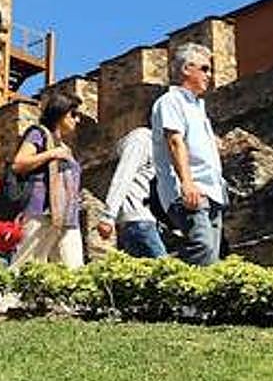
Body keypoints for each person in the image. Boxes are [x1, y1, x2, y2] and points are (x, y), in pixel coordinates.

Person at [152, 43, 226, 266]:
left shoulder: (197, 107)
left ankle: (200, 299)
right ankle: (169, 288)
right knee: (202, 246)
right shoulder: (171, 101)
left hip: (212, 191)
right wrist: (187, 183)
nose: (209, 75)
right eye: (204, 69)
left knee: (211, 256)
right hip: (190, 190)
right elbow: (175, 141)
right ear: (186, 69)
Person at [10, 90, 85, 269]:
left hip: (68, 216)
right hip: (41, 212)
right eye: (73, 114)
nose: (78, 120)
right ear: (60, 113)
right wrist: (51, 154)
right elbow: (18, 164)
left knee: (74, 270)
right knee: (25, 267)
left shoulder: (65, 147)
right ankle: (8, 298)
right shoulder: (38, 134)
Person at [97, 127, 166, 258]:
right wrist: (108, 216)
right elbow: (123, 176)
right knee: (166, 272)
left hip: (149, 221)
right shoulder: (140, 140)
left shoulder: (159, 146)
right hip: (138, 219)